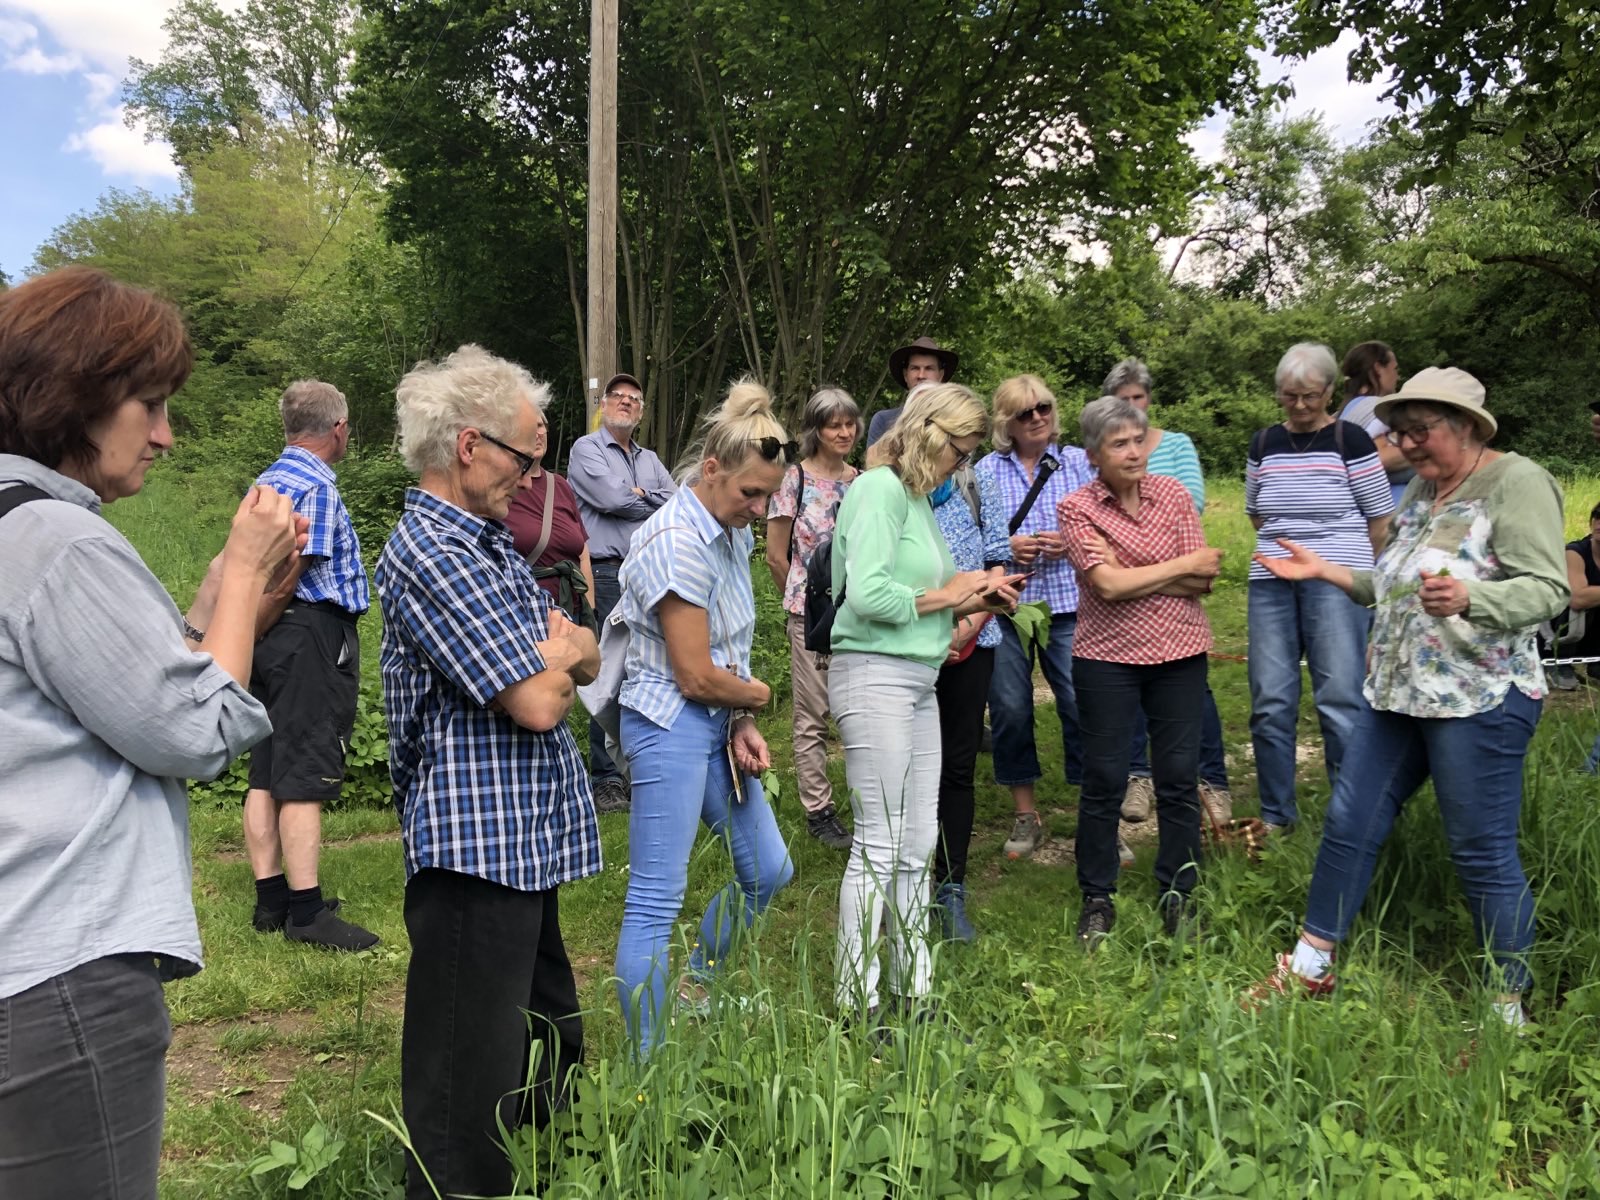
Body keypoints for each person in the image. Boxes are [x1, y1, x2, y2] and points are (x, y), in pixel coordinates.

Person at [0, 267, 301, 1199]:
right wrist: (247, 575)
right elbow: (192, 729)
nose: (167, 434)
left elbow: (105, 694)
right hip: (62, 972)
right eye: (151, 405)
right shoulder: (59, 540)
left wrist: (212, 601)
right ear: (75, 396)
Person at [1248, 368, 1566, 1031]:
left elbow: (1547, 589)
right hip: (1399, 694)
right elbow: (1394, 586)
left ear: (1467, 427)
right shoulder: (1424, 488)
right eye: (1401, 431)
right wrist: (1327, 572)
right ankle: (1312, 966)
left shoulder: (1518, 483)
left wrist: (1474, 597)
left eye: (1421, 431)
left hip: (1479, 697)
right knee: (1348, 821)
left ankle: (1508, 1007)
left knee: (1480, 848)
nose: (1408, 445)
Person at [376, 345, 602, 1200]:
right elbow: (541, 702)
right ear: (469, 446)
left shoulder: (489, 546)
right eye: (522, 457)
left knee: (547, 1044)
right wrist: (566, 659)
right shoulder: (433, 551)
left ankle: (550, 1174)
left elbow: (572, 650)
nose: (532, 478)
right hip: (474, 849)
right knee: (460, 1088)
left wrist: (570, 652)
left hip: (520, 841)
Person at [613, 379, 796, 1054]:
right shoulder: (675, 540)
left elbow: (727, 649)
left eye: (766, 496)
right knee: (656, 900)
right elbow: (693, 672)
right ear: (710, 469)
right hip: (667, 724)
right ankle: (647, 1067)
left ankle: (698, 983)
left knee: (769, 871)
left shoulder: (726, 532)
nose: (757, 507)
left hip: (716, 723)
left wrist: (742, 721)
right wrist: (757, 698)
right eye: (749, 492)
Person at [830, 382, 1022, 1022]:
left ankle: (912, 991)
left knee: (916, 844)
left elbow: (922, 598)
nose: (960, 464)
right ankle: (858, 1002)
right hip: (874, 675)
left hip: (917, 676)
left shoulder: (915, 499)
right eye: (958, 450)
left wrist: (978, 598)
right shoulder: (878, 490)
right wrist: (953, 594)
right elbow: (867, 597)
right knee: (878, 845)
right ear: (931, 433)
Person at [1058, 396, 1224, 944]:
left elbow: (1204, 580)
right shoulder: (1077, 506)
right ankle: (1097, 896)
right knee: (1104, 778)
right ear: (1093, 456)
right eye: (1119, 444)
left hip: (1180, 653)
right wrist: (1172, 568)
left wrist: (1128, 569)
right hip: (1106, 657)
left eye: (1138, 440)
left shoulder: (1173, 494)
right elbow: (1104, 586)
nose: (1134, 453)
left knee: (1177, 778)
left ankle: (1180, 892)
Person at [245, 380, 380, 951]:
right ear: (338, 428)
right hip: (309, 632)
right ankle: (306, 913)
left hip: (269, 634)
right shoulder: (316, 486)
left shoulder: (266, 482)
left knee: (267, 765)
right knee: (304, 769)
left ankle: (271, 899)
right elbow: (292, 568)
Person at [1246, 342, 1394, 833]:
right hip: (1271, 581)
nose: (1302, 406)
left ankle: (1351, 815)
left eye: (1311, 396)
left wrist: (1370, 587)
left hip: (1336, 579)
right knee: (1270, 700)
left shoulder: (1351, 439)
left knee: (1340, 698)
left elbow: (1379, 520)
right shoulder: (1263, 442)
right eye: (1291, 396)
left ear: (1330, 390)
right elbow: (1256, 512)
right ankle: (1276, 816)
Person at [1101, 359, 1233, 828]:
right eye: (1123, 401)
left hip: (1176, 606)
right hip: (1130, 608)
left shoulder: (1176, 445)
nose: (1132, 408)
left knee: (1194, 691)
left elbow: (1188, 510)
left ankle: (1212, 782)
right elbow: (1103, 536)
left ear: (1149, 400)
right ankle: (1139, 777)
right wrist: (1162, 564)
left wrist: (1131, 565)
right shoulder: (1102, 455)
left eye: (1139, 398)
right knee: (1132, 688)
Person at [974, 375, 1095, 862]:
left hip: (1067, 601)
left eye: (1043, 407)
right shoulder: (984, 470)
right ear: (1007, 422)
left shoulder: (1080, 463)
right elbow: (970, 534)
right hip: (1006, 604)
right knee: (1009, 708)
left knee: (1081, 704)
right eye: (1025, 412)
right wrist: (1007, 546)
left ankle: (1095, 811)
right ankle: (1026, 813)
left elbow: (1104, 523)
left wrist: (1073, 540)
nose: (1038, 417)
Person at [566, 371, 676, 812]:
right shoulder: (585, 449)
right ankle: (605, 777)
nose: (626, 402)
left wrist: (639, 494)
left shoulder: (649, 459)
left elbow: (676, 501)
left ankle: (637, 767)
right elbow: (611, 501)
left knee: (647, 668)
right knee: (608, 669)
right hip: (609, 572)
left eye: (634, 398)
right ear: (604, 404)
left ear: (642, 410)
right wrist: (647, 499)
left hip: (651, 571)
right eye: (618, 396)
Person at [927, 391, 1012, 941]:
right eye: (959, 450)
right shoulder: (892, 490)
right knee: (910, 769)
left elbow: (997, 559)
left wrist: (973, 623)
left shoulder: (977, 485)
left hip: (974, 644)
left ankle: (949, 887)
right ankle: (899, 882)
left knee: (957, 767)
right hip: (908, 648)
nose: (963, 462)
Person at [763, 386, 861, 851]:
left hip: (859, 612)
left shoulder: (863, 481)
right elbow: (775, 556)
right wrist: (801, 605)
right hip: (809, 614)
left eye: (849, 423)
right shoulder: (793, 479)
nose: (843, 432)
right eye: (833, 424)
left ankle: (867, 801)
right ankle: (818, 809)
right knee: (813, 713)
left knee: (857, 708)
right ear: (815, 430)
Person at [504, 400, 597, 627]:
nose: (537, 433)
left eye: (541, 425)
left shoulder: (561, 486)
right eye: (530, 427)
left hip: (572, 613)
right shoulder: (501, 486)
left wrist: (590, 614)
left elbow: (583, 556)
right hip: (522, 615)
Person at [1338, 341, 1411, 507]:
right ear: (1378, 368)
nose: (1397, 376)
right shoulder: (1374, 408)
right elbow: (1377, 459)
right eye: (1395, 369)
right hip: (1387, 511)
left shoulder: (1342, 412)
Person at [865, 336, 959, 447]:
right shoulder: (884, 421)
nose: (921, 375)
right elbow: (874, 463)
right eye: (915, 368)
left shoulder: (954, 422)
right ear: (905, 375)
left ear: (940, 375)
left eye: (929, 368)